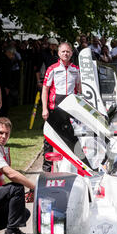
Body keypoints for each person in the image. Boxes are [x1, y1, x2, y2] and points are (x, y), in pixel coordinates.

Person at [41, 42, 81, 172]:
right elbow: (45, 89)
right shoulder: (52, 68)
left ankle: (78, 165)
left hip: (70, 108)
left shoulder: (75, 69)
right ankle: (47, 169)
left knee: (72, 136)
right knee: (49, 139)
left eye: (68, 51)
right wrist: (44, 109)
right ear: (58, 53)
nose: (66, 54)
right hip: (54, 107)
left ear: (71, 53)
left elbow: (79, 88)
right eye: (63, 51)